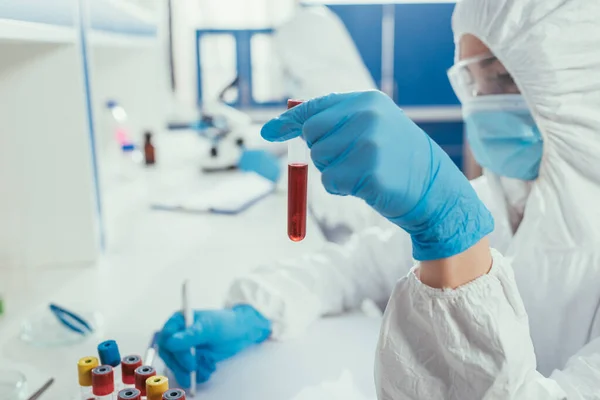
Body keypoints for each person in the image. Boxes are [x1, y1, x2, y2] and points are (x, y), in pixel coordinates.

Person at [158, 0, 600, 398]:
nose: (482, 103)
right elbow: (355, 265)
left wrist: (458, 243)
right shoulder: (496, 202)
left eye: (502, 77)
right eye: (474, 81)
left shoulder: (471, 211)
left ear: (582, 84)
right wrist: (258, 310)